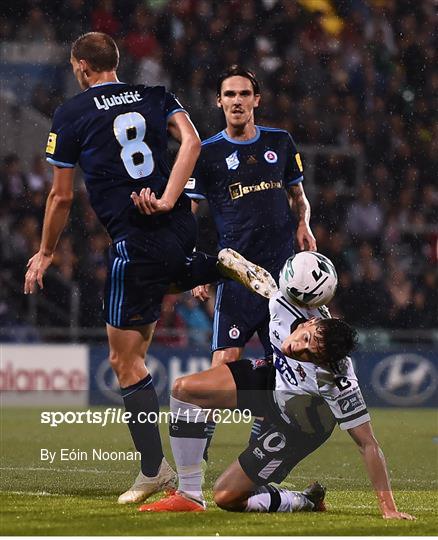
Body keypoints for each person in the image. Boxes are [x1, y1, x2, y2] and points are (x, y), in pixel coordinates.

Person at [23, 31, 225, 505]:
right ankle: (210, 264)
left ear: (80, 66)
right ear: (115, 62)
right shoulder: (157, 95)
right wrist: (173, 198)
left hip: (136, 240)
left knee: (123, 360)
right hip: (179, 228)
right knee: (148, 328)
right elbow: (193, 143)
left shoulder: (71, 113)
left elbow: (61, 195)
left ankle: (154, 471)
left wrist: (47, 251)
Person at [139, 252, 415, 521]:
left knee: (227, 497)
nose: (297, 347)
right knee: (185, 389)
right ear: (312, 320)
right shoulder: (284, 299)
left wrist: (387, 507)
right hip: (272, 380)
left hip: (297, 425)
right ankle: (189, 495)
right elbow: (232, 260)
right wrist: (204, 277)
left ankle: (304, 500)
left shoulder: (338, 380)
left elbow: (367, 444)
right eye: (305, 337)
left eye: (309, 353)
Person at [184, 65, 317, 453]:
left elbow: (298, 196)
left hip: (283, 281)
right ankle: (196, 452)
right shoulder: (206, 153)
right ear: (219, 101)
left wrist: (304, 225)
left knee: (282, 371)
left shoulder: (281, 141)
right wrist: (198, 266)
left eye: (244, 94)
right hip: (237, 278)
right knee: (223, 364)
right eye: (230, 95)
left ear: (256, 100)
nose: (237, 101)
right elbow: (190, 217)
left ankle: (258, 456)